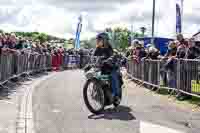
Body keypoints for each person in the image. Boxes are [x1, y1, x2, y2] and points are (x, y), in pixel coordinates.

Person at [93, 32, 120, 102]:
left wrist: (110, 59)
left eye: (99, 40)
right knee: (95, 76)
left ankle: (116, 95)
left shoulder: (109, 48)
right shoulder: (97, 48)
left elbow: (113, 55)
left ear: (105, 40)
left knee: (113, 77)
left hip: (110, 67)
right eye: (97, 40)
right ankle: (98, 92)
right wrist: (90, 62)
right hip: (101, 68)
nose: (97, 41)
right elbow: (93, 57)